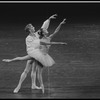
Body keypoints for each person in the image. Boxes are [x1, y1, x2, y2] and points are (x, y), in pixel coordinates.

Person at [2, 16, 67, 93]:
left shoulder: (37, 34)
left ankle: (33, 85)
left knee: (34, 70)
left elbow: (44, 27)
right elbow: (30, 48)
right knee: (26, 70)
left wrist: (49, 19)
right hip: (34, 54)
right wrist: (35, 54)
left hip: (38, 54)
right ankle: (18, 86)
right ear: (30, 29)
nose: (34, 27)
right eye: (32, 27)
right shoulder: (28, 38)